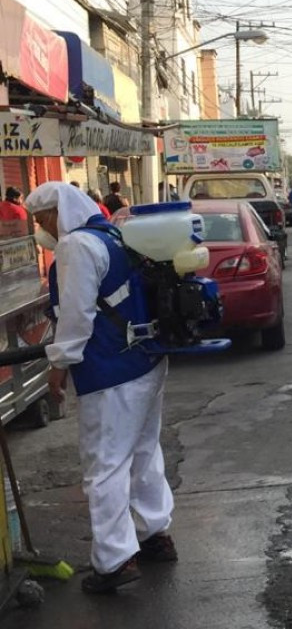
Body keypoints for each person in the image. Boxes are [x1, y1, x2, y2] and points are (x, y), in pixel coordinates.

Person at [24, 182, 177, 594]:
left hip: (110, 370)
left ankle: (113, 561)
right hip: (146, 359)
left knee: (105, 465)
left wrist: (59, 364)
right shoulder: (112, 233)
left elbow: (75, 316)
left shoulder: (76, 247)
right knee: (144, 452)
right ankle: (155, 534)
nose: (43, 229)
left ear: (61, 212)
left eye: (44, 219)